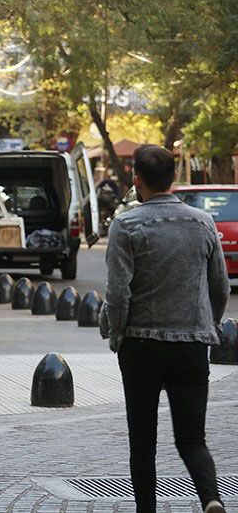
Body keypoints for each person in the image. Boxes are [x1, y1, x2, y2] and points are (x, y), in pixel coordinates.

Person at [105, 145, 228, 513]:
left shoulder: (125, 224)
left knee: (142, 441)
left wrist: (118, 334)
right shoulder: (203, 223)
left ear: (136, 180)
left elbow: (117, 292)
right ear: (174, 178)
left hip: (141, 345)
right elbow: (219, 285)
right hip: (191, 345)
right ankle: (210, 498)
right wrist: (210, 324)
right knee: (192, 438)